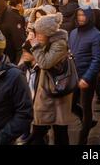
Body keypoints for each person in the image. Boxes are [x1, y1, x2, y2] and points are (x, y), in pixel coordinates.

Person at [26, 14, 74, 145]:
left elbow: (45, 63)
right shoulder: (48, 42)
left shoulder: (59, 44)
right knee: (48, 129)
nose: (38, 36)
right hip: (48, 91)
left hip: (56, 92)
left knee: (57, 131)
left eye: (40, 33)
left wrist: (35, 46)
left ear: (48, 33)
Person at [69, 8, 100, 145]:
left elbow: (97, 60)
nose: (80, 17)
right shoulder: (73, 33)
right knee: (71, 106)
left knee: (86, 107)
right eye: (78, 14)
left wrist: (87, 78)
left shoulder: (96, 35)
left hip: (87, 77)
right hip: (74, 76)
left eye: (83, 15)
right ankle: (88, 121)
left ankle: (82, 139)